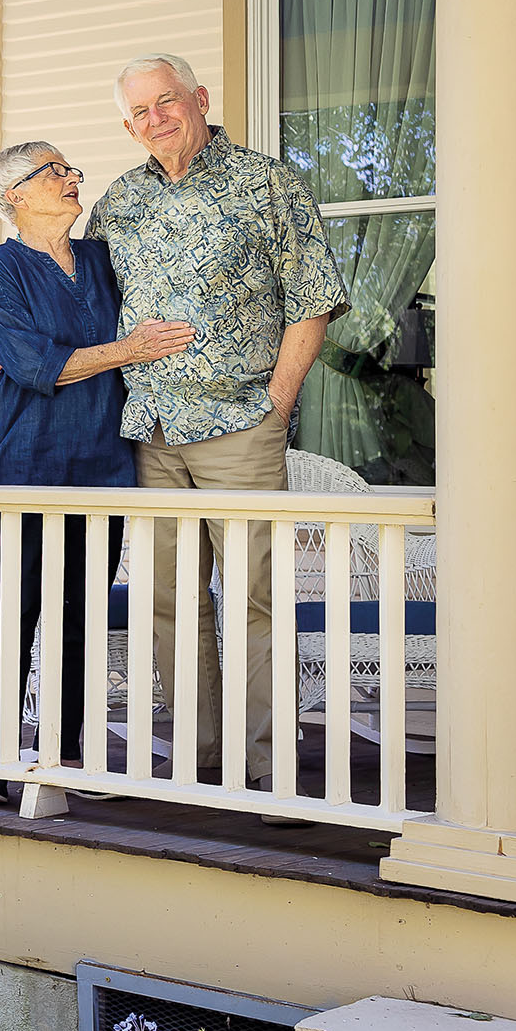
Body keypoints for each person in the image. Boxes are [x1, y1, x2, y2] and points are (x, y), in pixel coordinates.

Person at [85, 54, 347, 814]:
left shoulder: (266, 184)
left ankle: (268, 767)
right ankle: (199, 757)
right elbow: (86, 292)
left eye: (167, 101)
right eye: (139, 112)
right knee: (169, 599)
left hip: (240, 423)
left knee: (258, 597)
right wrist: (22, 341)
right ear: (127, 127)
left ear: (199, 99)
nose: (156, 118)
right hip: (150, 428)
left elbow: (312, 298)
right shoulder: (120, 201)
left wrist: (278, 400)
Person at [0, 141, 194, 806]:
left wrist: (75, 354)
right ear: (17, 197)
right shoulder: (3, 266)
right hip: (32, 461)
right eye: (53, 172)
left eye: (69, 169)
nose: (71, 179)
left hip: (103, 462)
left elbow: (55, 350)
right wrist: (121, 350)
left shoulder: (98, 258)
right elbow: (37, 365)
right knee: (20, 607)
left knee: (81, 612)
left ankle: (66, 755)